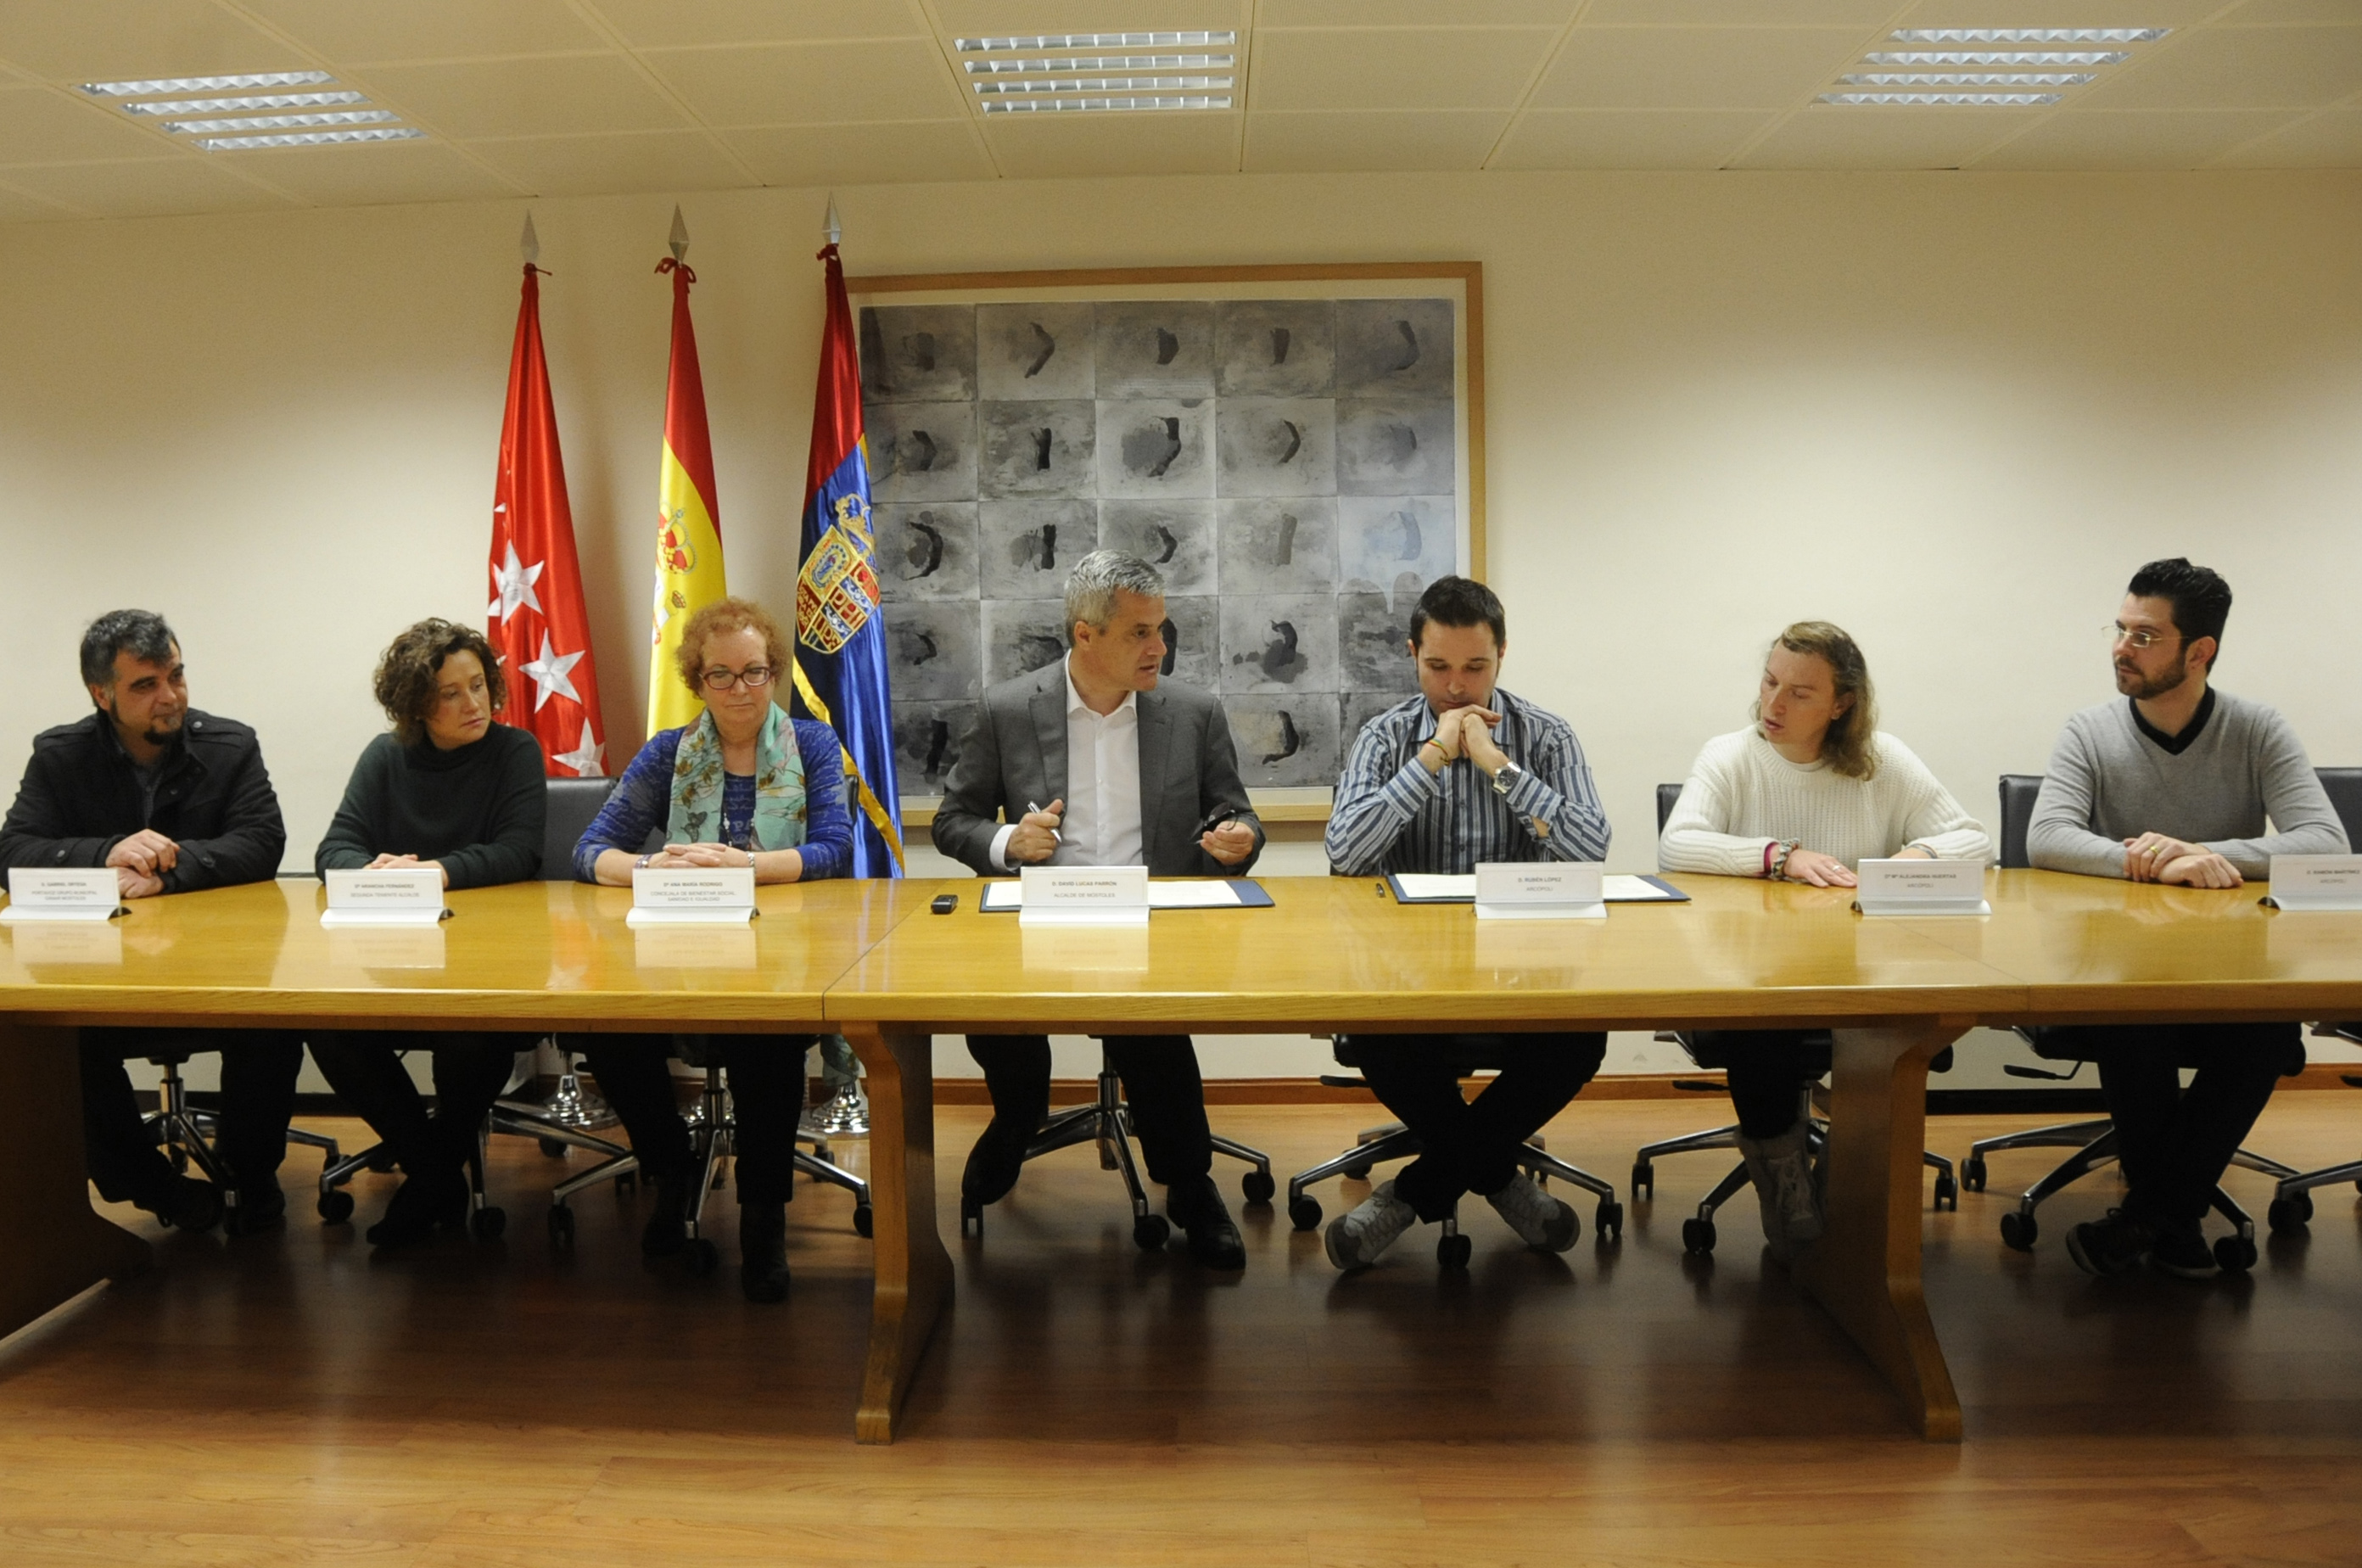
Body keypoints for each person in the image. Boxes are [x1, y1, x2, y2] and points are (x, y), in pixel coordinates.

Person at [932, 550, 1262, 1269]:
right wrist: (1007, 842)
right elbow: (952, 822)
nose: (1159, 647)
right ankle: (1017, 1120)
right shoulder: (1008, 709)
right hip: (1038, 921)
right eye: (1140, 632)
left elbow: (1235, 812)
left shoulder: (1192, 713)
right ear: (1086, 635)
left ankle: (1189, 1183)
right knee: (998, 1023)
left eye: (1161, 629)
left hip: (1150, 922)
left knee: (1154, 1037)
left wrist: (1240, 839)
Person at [2029, 558, 2348, 1280]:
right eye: (2120, 630)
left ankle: (2151, 1217)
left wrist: (2206, 854)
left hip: (2230, 965)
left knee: (2266, 1034)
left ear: (2200, 651)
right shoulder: (2090, 731)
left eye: (2145, 636)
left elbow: (2325, 840)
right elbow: (2046, 836)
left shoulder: (2257, 728)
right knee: (2134, 1021)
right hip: (2122, 966)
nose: (2121, 647)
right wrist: (2151, 861)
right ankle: (2168, 1220)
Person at [1658, 621, 1990, 1257]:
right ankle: (1783, 1170)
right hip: (1757, 972)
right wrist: (1780, 856)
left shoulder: (1883, 761)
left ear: (1842, 705)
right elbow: (1678, 845)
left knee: (1902, 1021)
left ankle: (1853, 1165)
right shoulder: (1731, 755)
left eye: (1800, 693)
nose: (1774, 703)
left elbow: (1973, 838)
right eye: (1769, 682)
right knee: (1766, 1018)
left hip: (1860, 970)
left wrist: (1917, 856)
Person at [1322, 576, 1614, 1270]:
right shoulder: (1384, 737)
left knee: (1580, 1040)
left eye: (1476, 667)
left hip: (1525, 965)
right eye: (1438, 667)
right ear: (1412, 655)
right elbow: (1345, 854)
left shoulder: (1546, 736)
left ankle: (1412, 1193)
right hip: (1407, 971)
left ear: (1502, 654)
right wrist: (1432, 758)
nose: (1456, 688)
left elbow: (1589, 849)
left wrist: (1495, 763)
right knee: (1380, 1035)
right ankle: (1499, 1176)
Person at [570, 596, 854, 1303]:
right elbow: (590, 850)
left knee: (767, 1044)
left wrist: (743, 866)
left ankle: (764, 1217)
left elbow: (835, 850)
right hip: (678, 950)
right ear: (697, 681)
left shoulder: (813, 744)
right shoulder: (669, 751)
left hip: (782, 956)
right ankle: (671, 1167)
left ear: (774, 673)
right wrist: (650, 866)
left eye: (754, 671)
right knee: (607, 1032)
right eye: (720, 675)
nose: (739, 688)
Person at [1, 609, 300, 1235]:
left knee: (274, 1023)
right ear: (101, 694)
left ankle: (250, 1172)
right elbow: (12, 852)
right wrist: (106, 852)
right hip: (103, 974)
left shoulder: (230, 745)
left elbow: (262, 841)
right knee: (58, 1037)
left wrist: (171, 870)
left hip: (216, 968)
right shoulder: (60, 755)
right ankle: (150, 1185)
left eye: (176, 675)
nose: (171, 696)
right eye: (146, 684)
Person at [311, 618, 546, 1249]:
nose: (474, 703)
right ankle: (436, 1170)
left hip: (489, 962)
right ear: (416, 704)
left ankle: (429, 1179)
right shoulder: (385, 756)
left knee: (471, 1036)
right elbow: (333, 850)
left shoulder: (514, 751)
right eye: (451, 693)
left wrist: (433, 872)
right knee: (327, 1029)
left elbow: (519, 852)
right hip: (396, 959)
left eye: (479, 684)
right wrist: (370, 871)